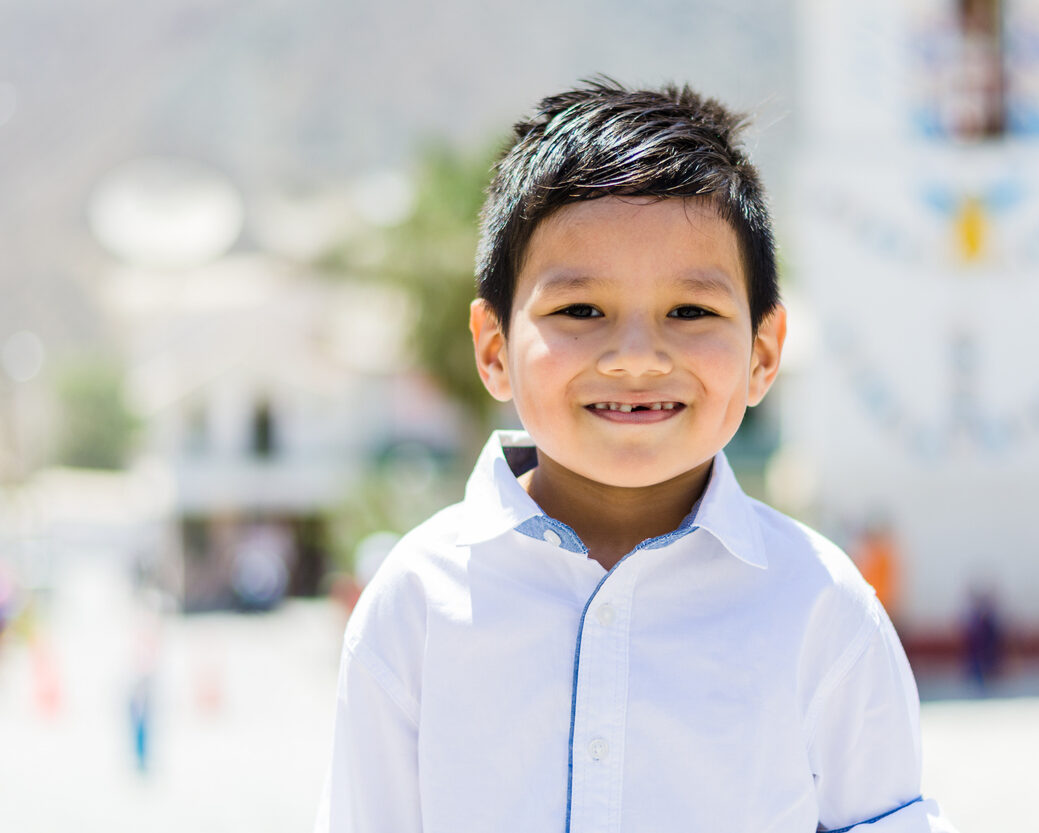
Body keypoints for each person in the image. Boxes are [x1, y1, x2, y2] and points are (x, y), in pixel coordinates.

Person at [316, 79, 955, 832]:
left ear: (763, 351)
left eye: (690, 311)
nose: (636, 357)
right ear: (493, 348)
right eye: (580, 310)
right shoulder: (416, 601)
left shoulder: (820, 605)